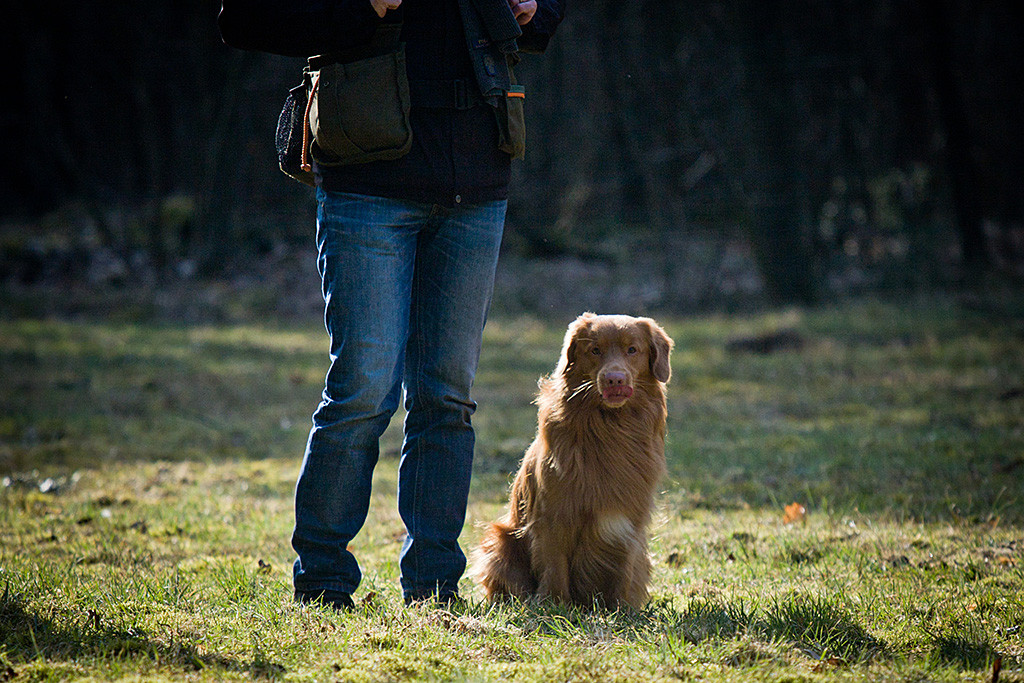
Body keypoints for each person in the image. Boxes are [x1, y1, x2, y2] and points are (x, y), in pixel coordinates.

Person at [218, 0, 564, 608]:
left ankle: (433, 587)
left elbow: (545, 14)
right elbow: (244, 18)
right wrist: (361, 8)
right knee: (364, 389)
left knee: (446, 397)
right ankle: (323, 582)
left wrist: (535, 8)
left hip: (477, 178)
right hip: (367, 183)